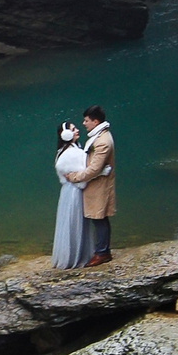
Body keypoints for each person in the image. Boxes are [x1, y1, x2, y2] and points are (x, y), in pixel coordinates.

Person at [71, 105, 115, 265]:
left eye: (86, 120)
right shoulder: (99, 136)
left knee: (99, 217)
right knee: (98, 217)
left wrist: (75, 177)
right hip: (95, 184)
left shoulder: (103, 141)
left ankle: (102, 252)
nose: (84, 123)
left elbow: (95, 169)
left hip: (99, 185)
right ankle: (101, 250)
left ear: (95, 122)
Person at [51, 122, 89, 267]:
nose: (77, 130)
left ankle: (72, 255)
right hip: (74, 191)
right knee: (75, 221)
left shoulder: (68, 150)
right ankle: (75, 257)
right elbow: (82, 172)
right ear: (66, 134)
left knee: (70, 221)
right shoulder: (71, 153)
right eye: (73, 129)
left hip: (69, 191)